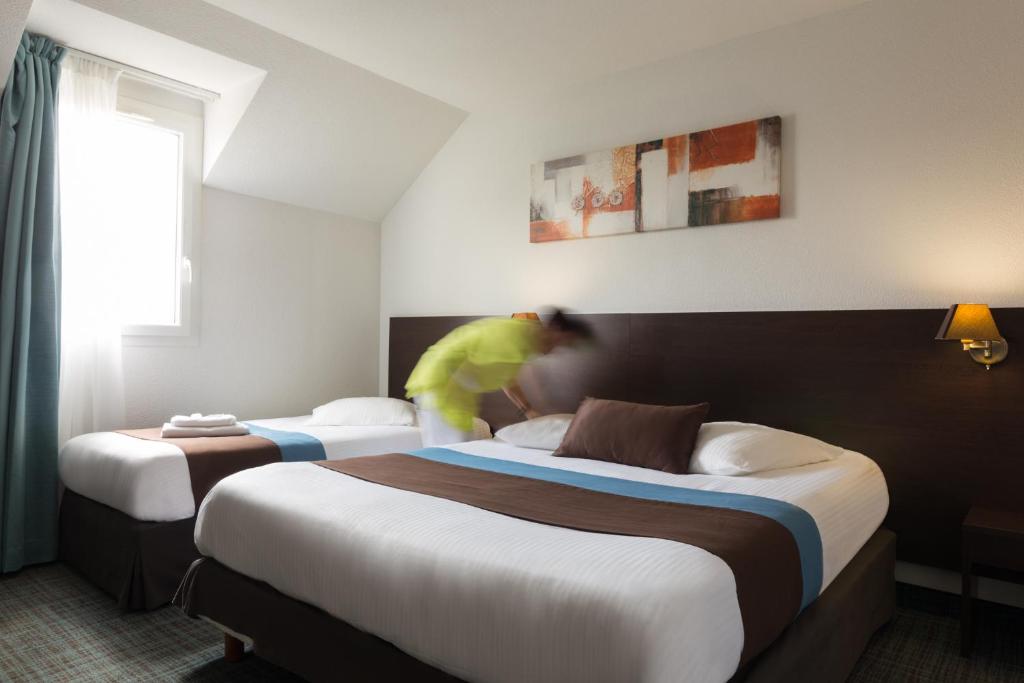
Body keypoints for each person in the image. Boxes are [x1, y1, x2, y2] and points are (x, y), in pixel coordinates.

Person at [406, 309, 595, 446]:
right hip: (441, 384)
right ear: (554, 329)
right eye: (561, 342)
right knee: (449, 449)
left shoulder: (523, 344)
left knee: (463, 446)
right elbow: (456, 354)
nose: (555, 349)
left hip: (456, 392)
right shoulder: (513, 334)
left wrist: (528, 410)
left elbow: (507, 379)